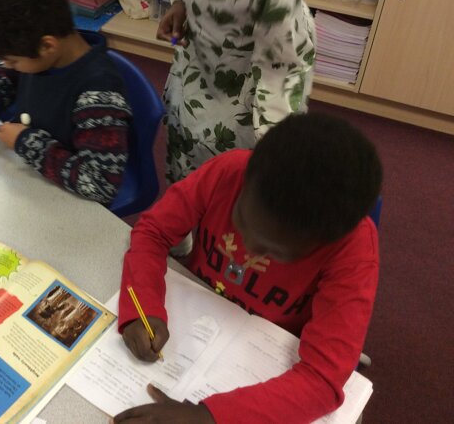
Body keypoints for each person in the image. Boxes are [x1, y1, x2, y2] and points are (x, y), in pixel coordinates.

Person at [115, 113, 382, 423]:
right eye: (241, 220)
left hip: (267, 353)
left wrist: (210, 417)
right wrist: (142, 307)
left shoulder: (353, 249)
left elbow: (322, 380)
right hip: (200, 316)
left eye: (275, 251)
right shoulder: (229, 172)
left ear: (323, 242)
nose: (250, 248)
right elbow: (153, 232)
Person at [125, 0, 316, 183]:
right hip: (206, 49)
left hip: (261, 62)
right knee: (189, 135)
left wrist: (272, 153)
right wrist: (181, 1)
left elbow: (281, 70)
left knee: (232, 165)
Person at [0, 0, 132, 205]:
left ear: (47, 46)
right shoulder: (40, 49)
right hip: (32, 179)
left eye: (13, 61)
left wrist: (26, 143)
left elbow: (100, 183)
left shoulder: (98, 94)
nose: (7, 65)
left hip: (71, 202)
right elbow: (8, 67)